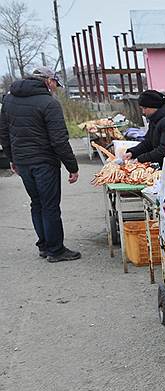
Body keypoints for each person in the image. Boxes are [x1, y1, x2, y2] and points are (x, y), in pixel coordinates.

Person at [0, 66, 81, 262]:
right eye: (55, 83)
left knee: (36, 203)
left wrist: (12, 158)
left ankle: (44, 245)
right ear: (47, 80)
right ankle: (56, 250)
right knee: (50, 205)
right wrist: (72, 167)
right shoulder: (48, 103)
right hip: (44, 162)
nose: (55, 87)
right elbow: (59, 140)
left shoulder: (9, 99)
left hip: (22, 161)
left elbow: (3, 132)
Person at [123, 90, 165, 164]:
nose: (143, 112)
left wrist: (140, 159)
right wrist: (132, 153)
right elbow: (148, 142)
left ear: (154, 106)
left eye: (145, 108)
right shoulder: (155, 119)